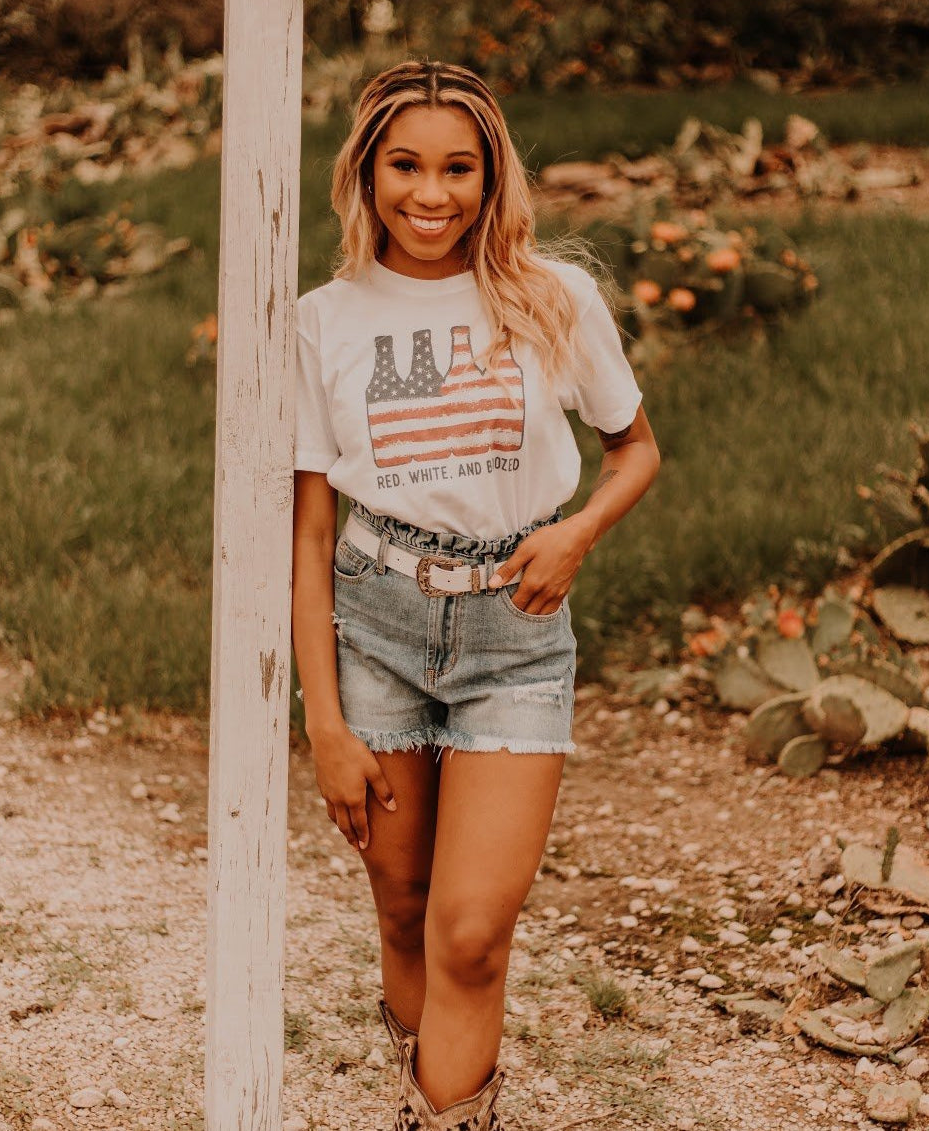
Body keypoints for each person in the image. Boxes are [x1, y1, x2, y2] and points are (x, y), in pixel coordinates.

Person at [290, 59, 660, 1130]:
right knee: (402, 908)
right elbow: (312, 527)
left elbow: (634, 450)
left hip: (517, 631)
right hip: (376, 623)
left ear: (493, 177)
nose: (432, 194)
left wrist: (577, 533)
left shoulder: (554, 295)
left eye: (460, 168)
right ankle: (427, 1094)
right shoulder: (326, 319)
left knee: (468, 931)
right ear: (366, 172)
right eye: (406, 164)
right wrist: (323, 718)